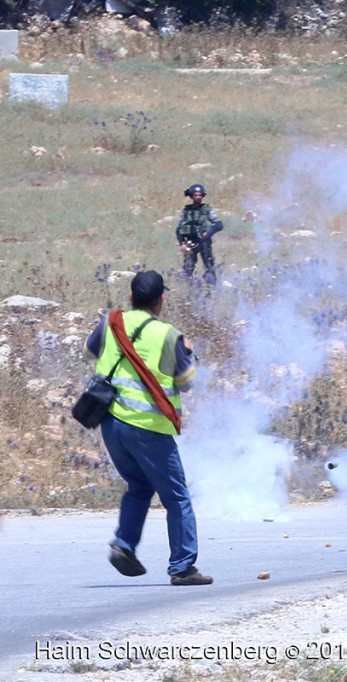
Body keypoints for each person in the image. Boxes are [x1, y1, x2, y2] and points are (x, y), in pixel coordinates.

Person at [84, 270, 213, 586]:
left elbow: (90, 352)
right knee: (177, 497)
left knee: (140, 486)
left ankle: (123, 546)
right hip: (148, 427)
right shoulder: (168, 335)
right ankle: (182, 567)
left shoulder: (110, 322)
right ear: (161, 300)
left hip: (111, 423)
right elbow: (187, 382)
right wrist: (188, 351)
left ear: (131, 297)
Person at [176, 183, 224, 284]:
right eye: (195, 195)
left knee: (209, 265)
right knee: (188, 268)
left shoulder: (207, 209)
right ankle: (188, 287)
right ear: (191, 196)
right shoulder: (186, 211)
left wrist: (208, 233)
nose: (198, 197)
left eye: (200, 195)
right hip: (190, 242)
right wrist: (182, 244)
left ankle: (212, 288)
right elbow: (179, 229)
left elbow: (219, 225)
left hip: (204, 242)